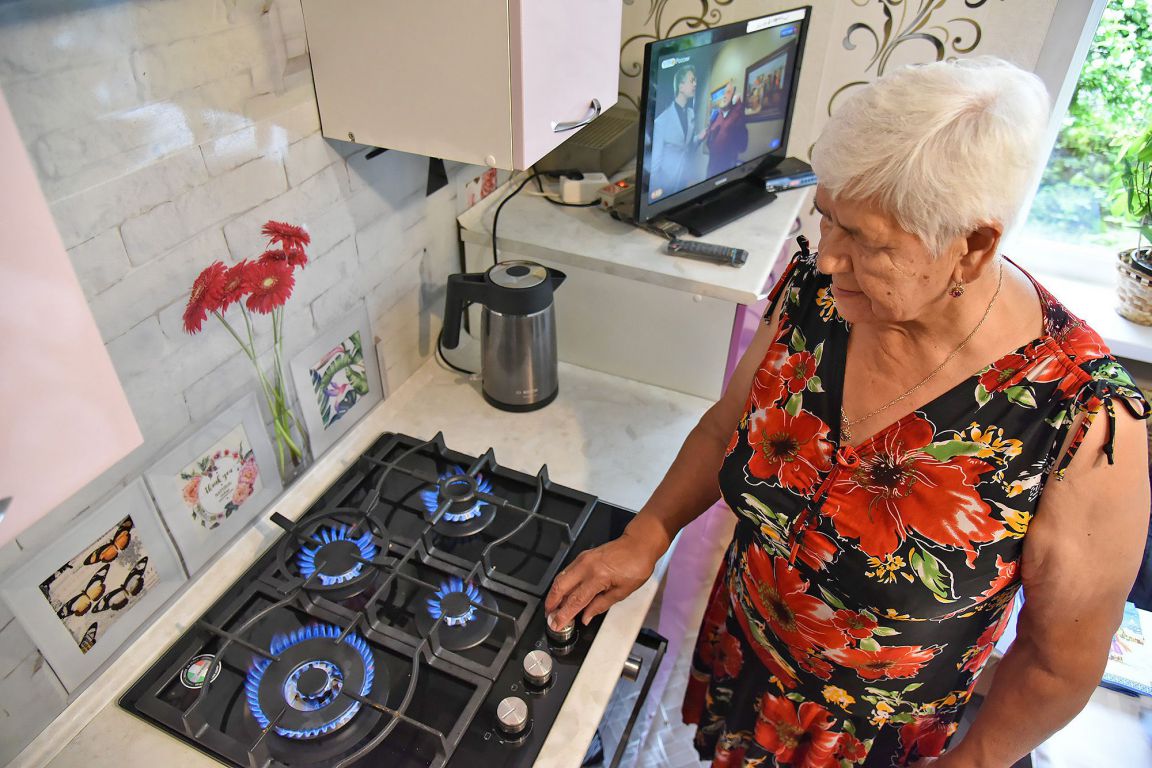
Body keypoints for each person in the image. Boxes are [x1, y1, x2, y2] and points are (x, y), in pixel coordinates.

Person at [546, 56, 1151, 767]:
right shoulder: (818, 292)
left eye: (865, 239)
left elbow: (1058, 663)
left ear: (973, 246)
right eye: (828, 218)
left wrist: (974, 761)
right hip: (748, 647)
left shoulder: (1079, 419)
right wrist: (647, 534)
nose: (828, 257)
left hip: (867, 739)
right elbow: (726, 428)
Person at [649, 64, 709, 197]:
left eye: (695, 81)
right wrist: (655, 190)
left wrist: (699, 137)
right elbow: (655, 163)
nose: (695, 84)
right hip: (666, 183)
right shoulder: (661, 121)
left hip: (684, 179)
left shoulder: (691, 113)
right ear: (681, 87)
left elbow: (686, 146)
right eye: (692, 80)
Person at [705, 81, 749, 177]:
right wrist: (711, 135)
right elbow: (708, 144)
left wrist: (739, 110)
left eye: (728, 92)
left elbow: (742, 147)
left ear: (733, 96)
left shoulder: (738, 116)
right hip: (711, 171)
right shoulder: (716, 116)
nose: (724, 96)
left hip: (727, 172)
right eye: (723, 93)